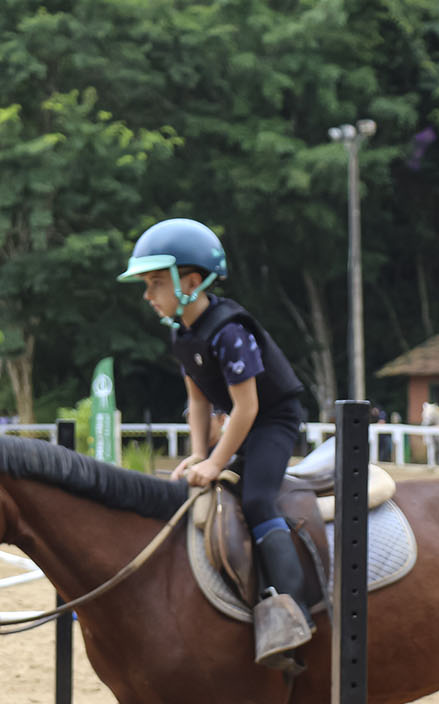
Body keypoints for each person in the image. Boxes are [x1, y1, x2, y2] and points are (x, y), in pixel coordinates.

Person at [118, 218, 314, 669]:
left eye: (155, 283)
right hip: (242, 423)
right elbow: (198, 401)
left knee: (258, 499)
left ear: (191, 282)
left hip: (272, 421)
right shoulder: (182, 332)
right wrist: (198, 455)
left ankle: (295, 610)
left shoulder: (229, 331)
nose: (147, 295)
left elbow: (247, 408)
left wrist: (216, 462)